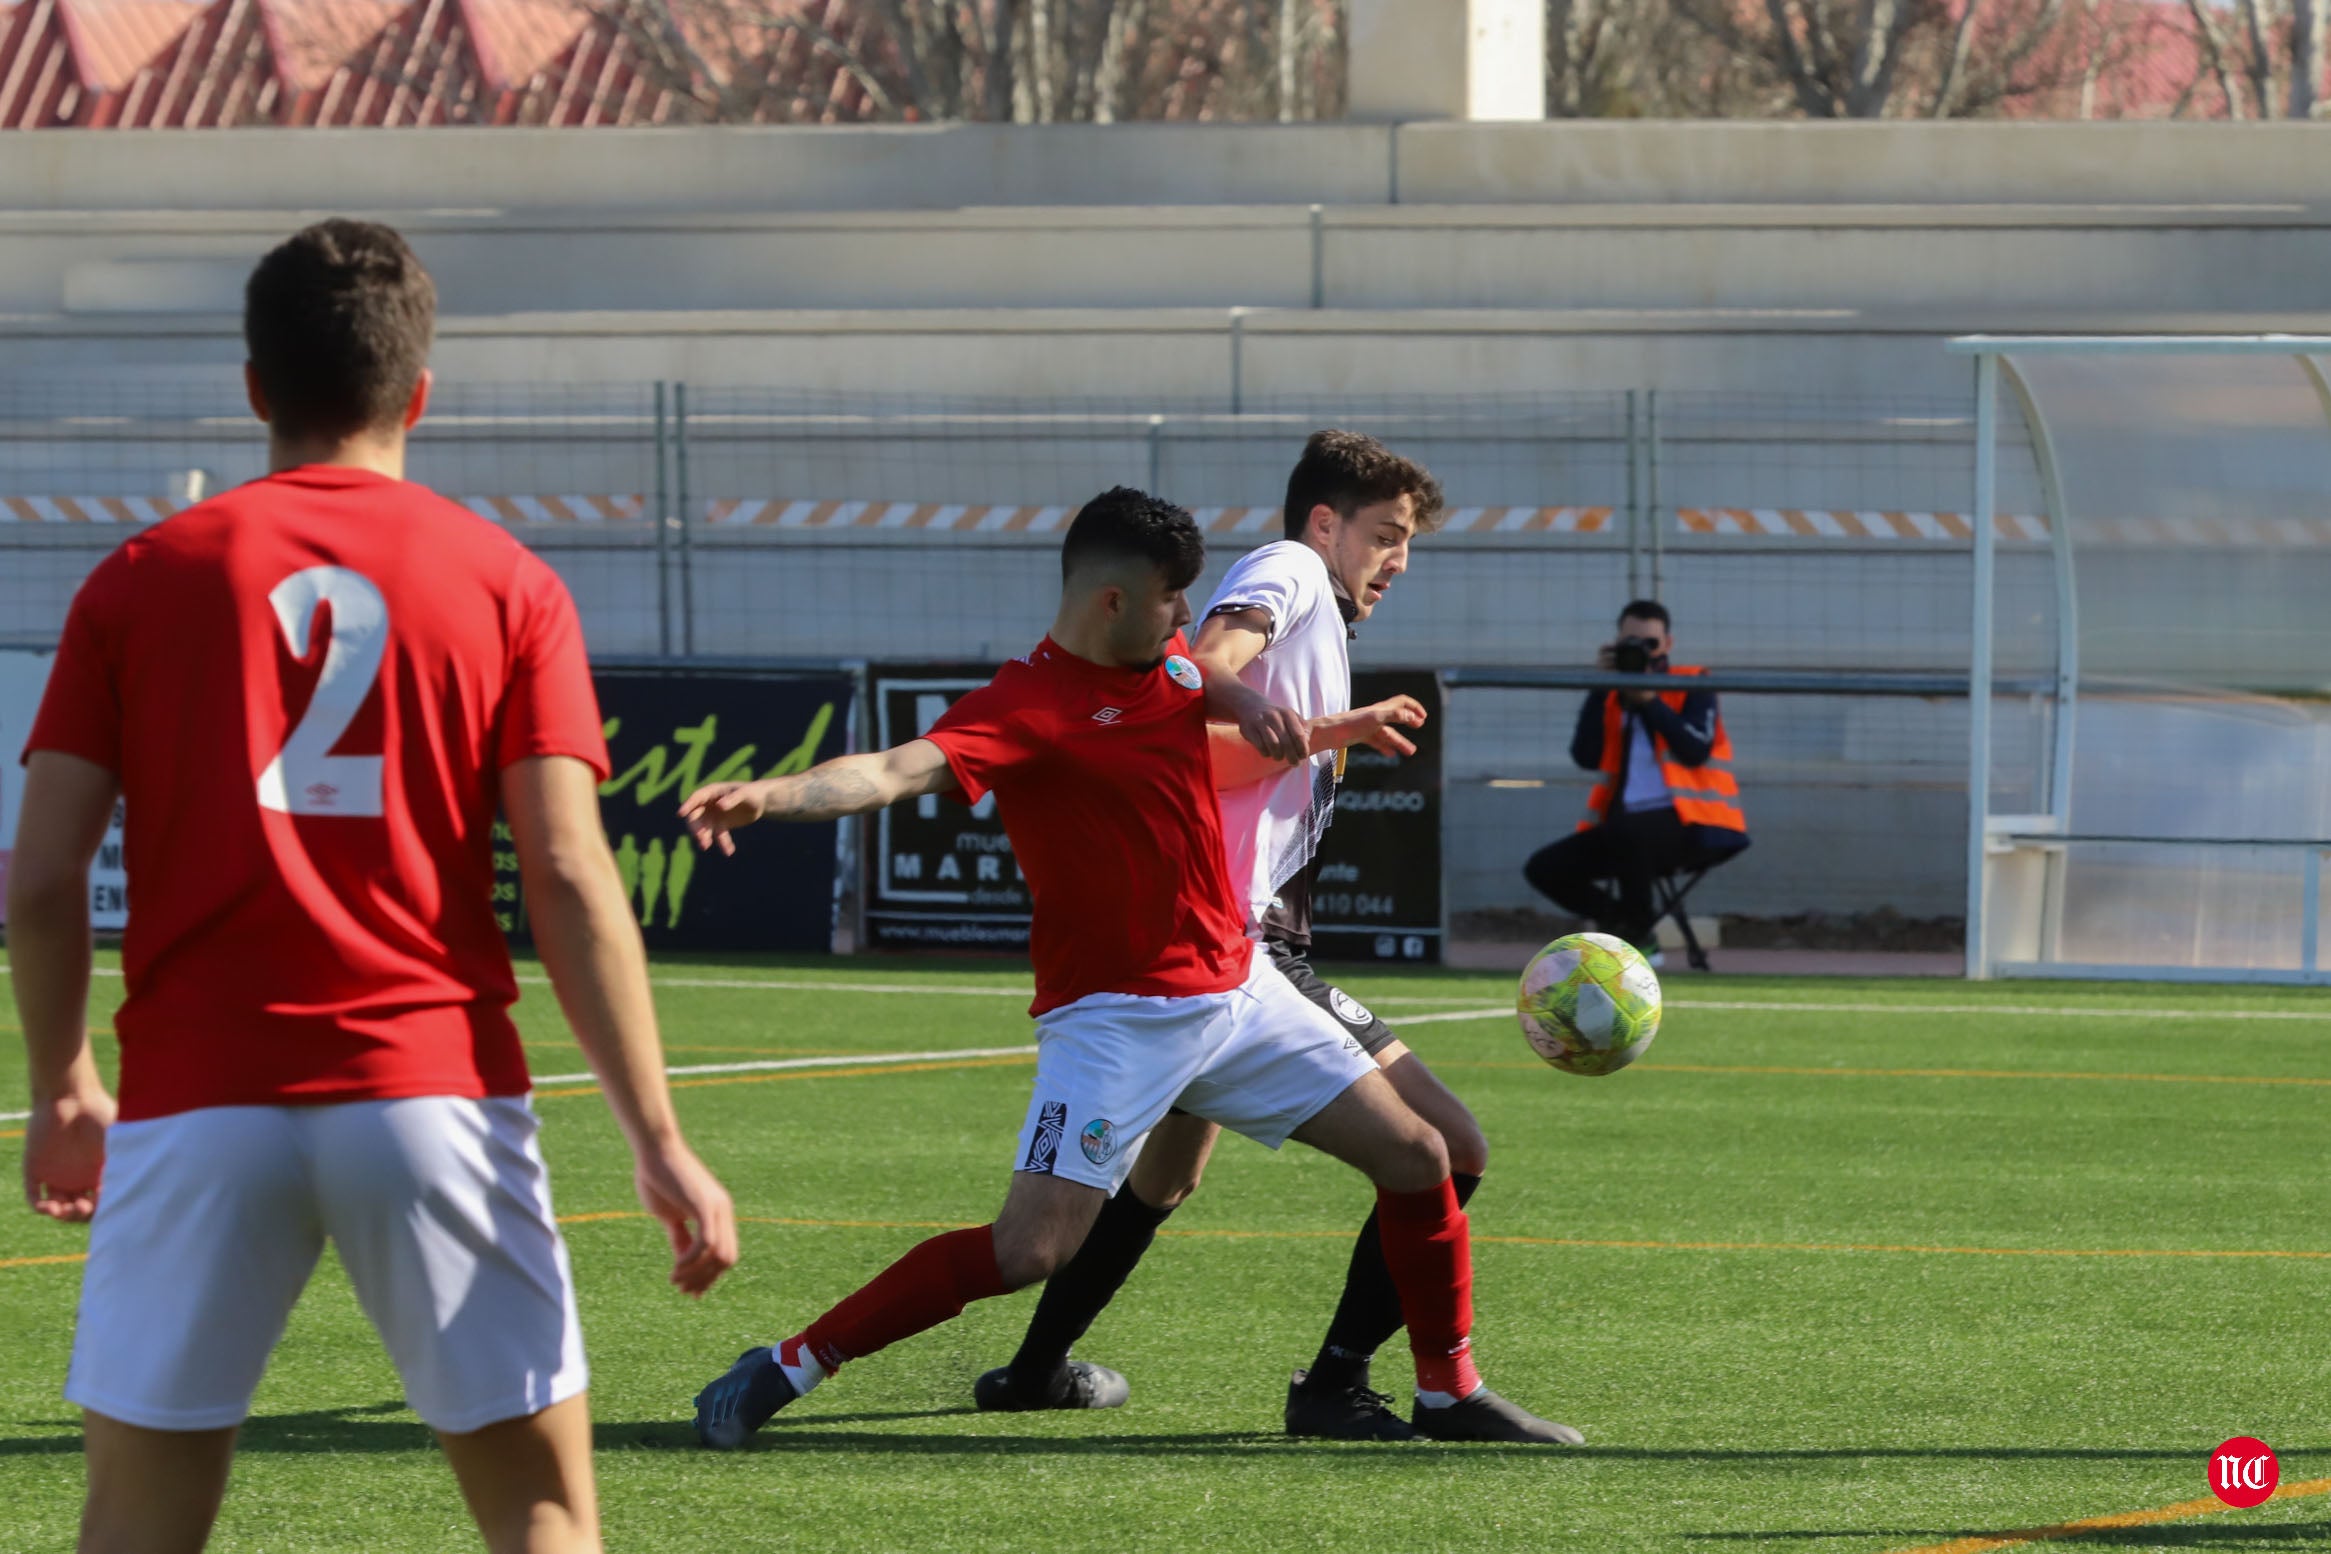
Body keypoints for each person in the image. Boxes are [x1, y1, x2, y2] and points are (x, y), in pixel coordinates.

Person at [9, 219, 738, 1554]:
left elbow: (44, 875)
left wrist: (62, 1082)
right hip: (430, 1090)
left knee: (136, 1519)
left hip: (196, 1097)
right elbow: (570, 875)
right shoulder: (507, 581)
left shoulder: (140, 579)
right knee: (536, 1508)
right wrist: (655, 1137)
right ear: (418, 393)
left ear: (253, 386)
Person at [681, 487, 1573, 1448]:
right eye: (1170, 601)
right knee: (1028, 1249)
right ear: (1110, 602)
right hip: (1115, 1021)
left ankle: (1446, 1389)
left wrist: (1321, 729)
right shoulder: (1026, 706)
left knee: (1421, 1157)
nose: (1187, 621)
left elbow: (1207, 701)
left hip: (1239, 990)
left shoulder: (1172, 673)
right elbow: (896, 769)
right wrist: (769, 796)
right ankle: (787, 1364)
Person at [968, 431, 1549, 1444]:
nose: (1397, 558)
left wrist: (1320, 728)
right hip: (1235, 944)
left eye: (1405, 541)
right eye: (1385, 534)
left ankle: (1032, 1370)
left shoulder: (1315, 608)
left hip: (1216, 943)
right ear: (1324, 524)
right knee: (1448, 1149)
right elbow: (1200, 664)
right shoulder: (1289, 570)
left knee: (1165, 1178)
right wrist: (1248, 691)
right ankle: (1344, 1384)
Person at [1523, 600, 1749, 959]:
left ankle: (1636, 938)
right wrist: (1601, 687)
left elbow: (1695, 749)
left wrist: (1648, 700)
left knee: (1630, 833)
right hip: (1624, 827)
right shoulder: (1611, 695)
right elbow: (1585, 756)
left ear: (1668, 645)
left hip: (1693, 821)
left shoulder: (1692, 682)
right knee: (1545, 867)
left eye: (1650, 644)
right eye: (1630, 642)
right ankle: (1627, 927)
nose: (1641, 652)